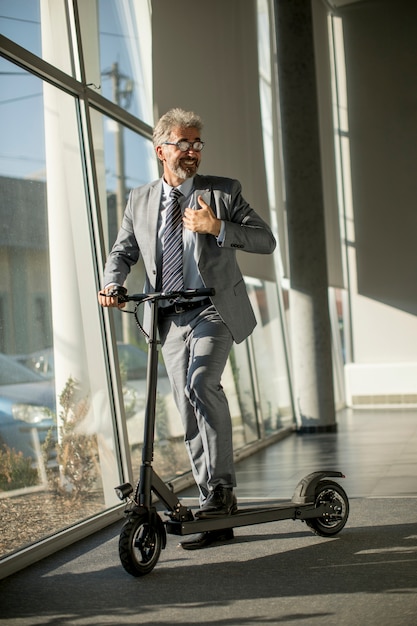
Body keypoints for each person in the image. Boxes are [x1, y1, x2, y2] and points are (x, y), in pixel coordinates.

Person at [98, 108, 276, 549]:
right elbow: (122, 253)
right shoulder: (139, 200)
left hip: (212, 309)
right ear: (161, 149)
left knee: (201, 384)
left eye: (198, 144)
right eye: (184, 143)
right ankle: (214, 509)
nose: (193, 151)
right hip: (169, 316)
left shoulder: (223, 192)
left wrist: (217, 226)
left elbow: (265, 240)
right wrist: (112, 282)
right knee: (186, 405)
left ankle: (223, 490)